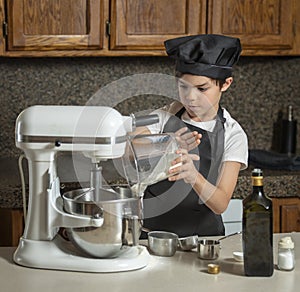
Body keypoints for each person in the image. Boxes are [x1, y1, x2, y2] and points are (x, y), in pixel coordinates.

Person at [136, 34, 248, 238]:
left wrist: (193, 176)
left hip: (201, 241)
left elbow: (221, 203)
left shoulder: (233, 134)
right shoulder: (164, 115)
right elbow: (131, 144)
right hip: (152, 238)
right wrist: (167, 143)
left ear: (225, 84)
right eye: (183, 87)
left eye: (202, 88)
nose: (190, 98)